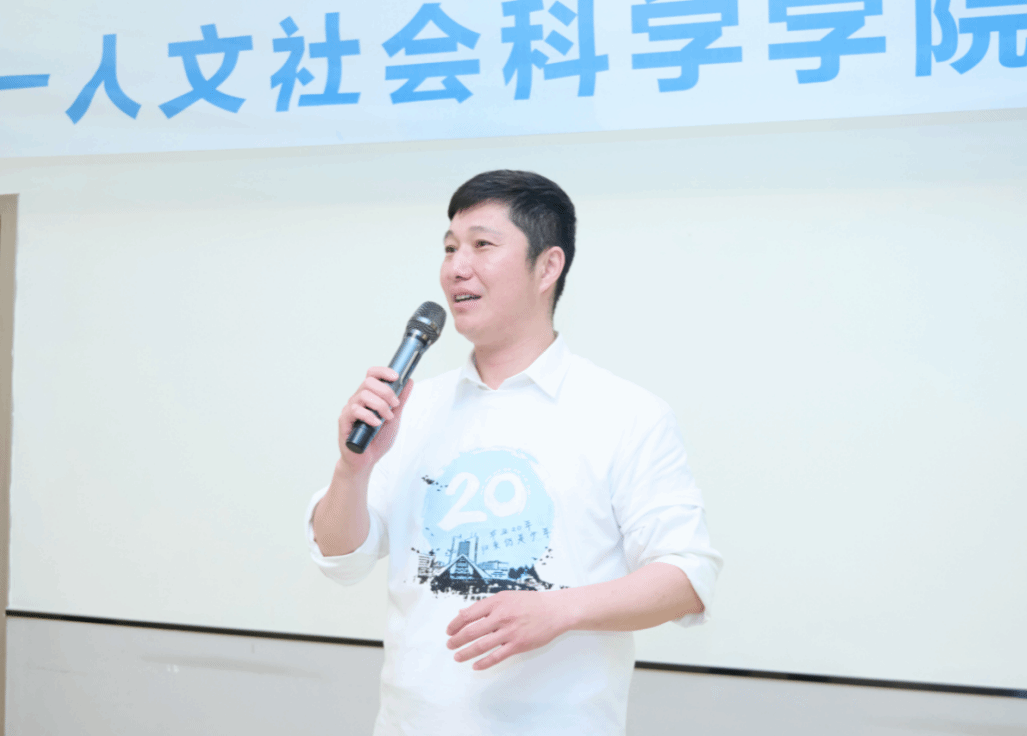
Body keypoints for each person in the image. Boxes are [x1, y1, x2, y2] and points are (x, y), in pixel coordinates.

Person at [306, 170, 722, 736]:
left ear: (547, 267)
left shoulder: (625, 412)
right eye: (449, 248)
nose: (456, 267)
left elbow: (687, 577)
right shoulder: (413, 408)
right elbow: (340, 558)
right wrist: (352, 470)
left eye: (482, 245)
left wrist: (561, 609)